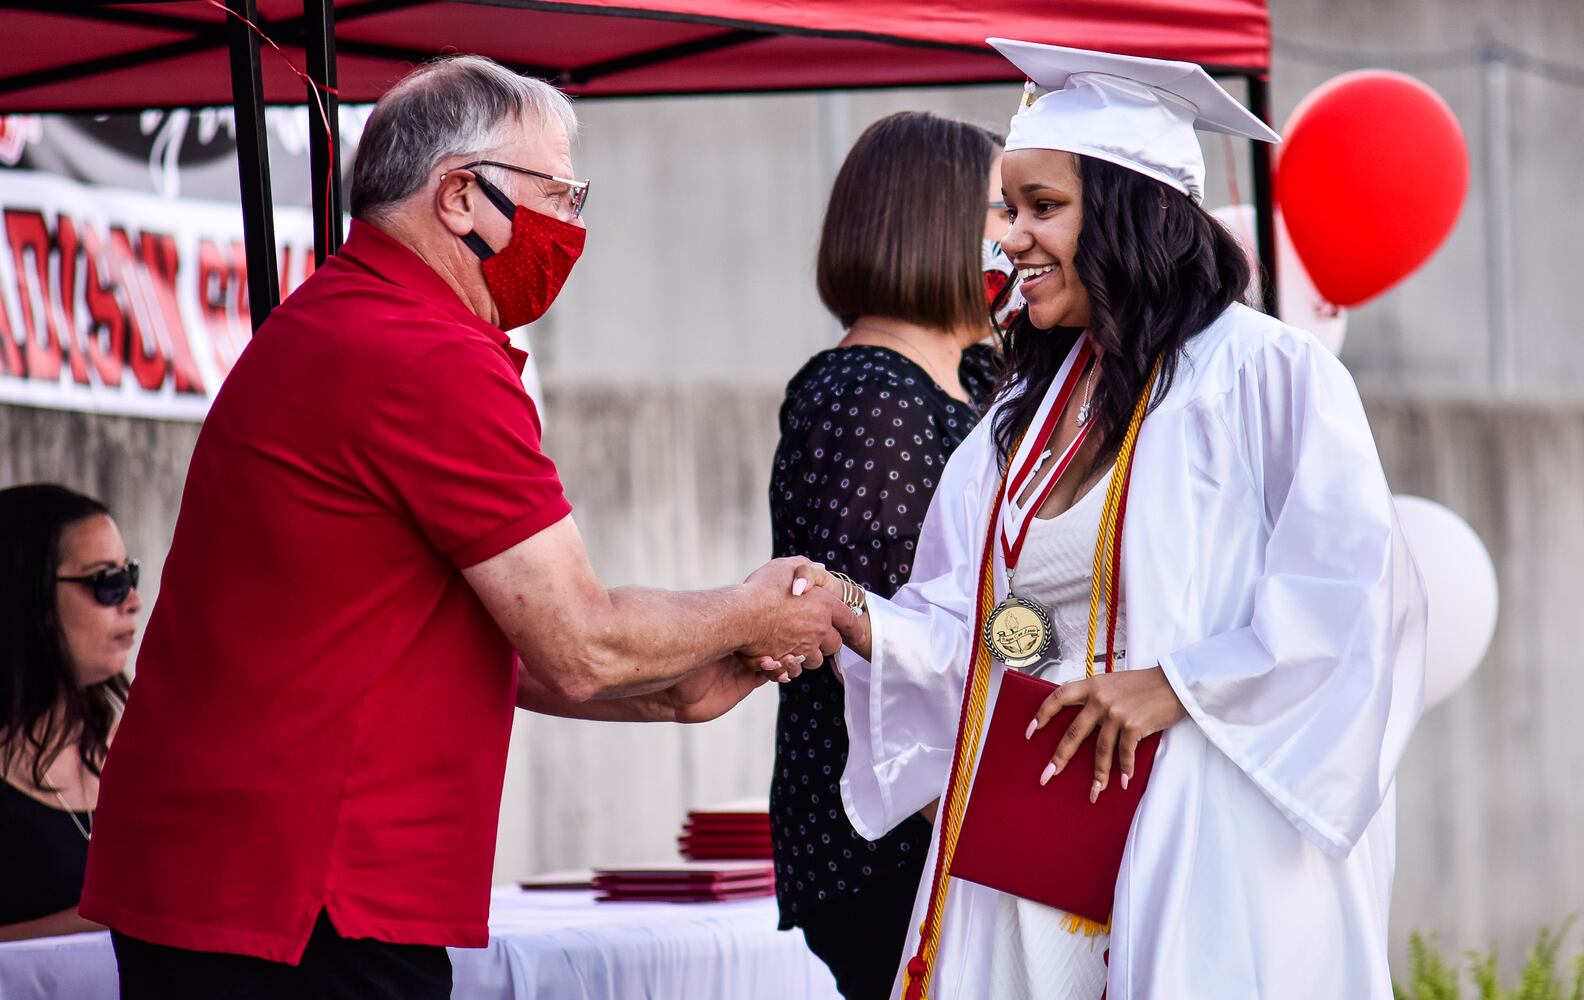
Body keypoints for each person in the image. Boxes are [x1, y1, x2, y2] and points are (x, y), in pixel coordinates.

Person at [78, 55, 851, 1000]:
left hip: (238, 880)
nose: (574, 225)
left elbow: (466, 647)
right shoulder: (422, 350)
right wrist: (750, 613)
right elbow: (580, 639)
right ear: (459, 197)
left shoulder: (346, 321)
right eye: (561, 194)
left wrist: (672, 688)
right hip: (302, 899)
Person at [797, 41, 1427, 999]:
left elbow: (1354, 604)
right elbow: (1008, 630)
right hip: (1038, 831)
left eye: (1042, 207)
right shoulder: (1023, 421)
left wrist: (1173, 683)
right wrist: (854, 614)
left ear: (1132, 210)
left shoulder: (1265, 377)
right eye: (1008, 208)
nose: (1008, 237)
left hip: (1197, 830)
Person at [768, 110, 1007, 999]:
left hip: (959, 805)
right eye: (1001, 210)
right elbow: (870, 628)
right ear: (931, 221)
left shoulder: (980, 381)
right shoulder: (869, 395)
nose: (1017, 237)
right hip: (894, 828)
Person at [0, 484, 141, 942]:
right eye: (107, 582)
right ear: (28, 595)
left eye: (130, 575)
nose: (133, 600)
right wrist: (97, 921)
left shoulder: (137, 745)